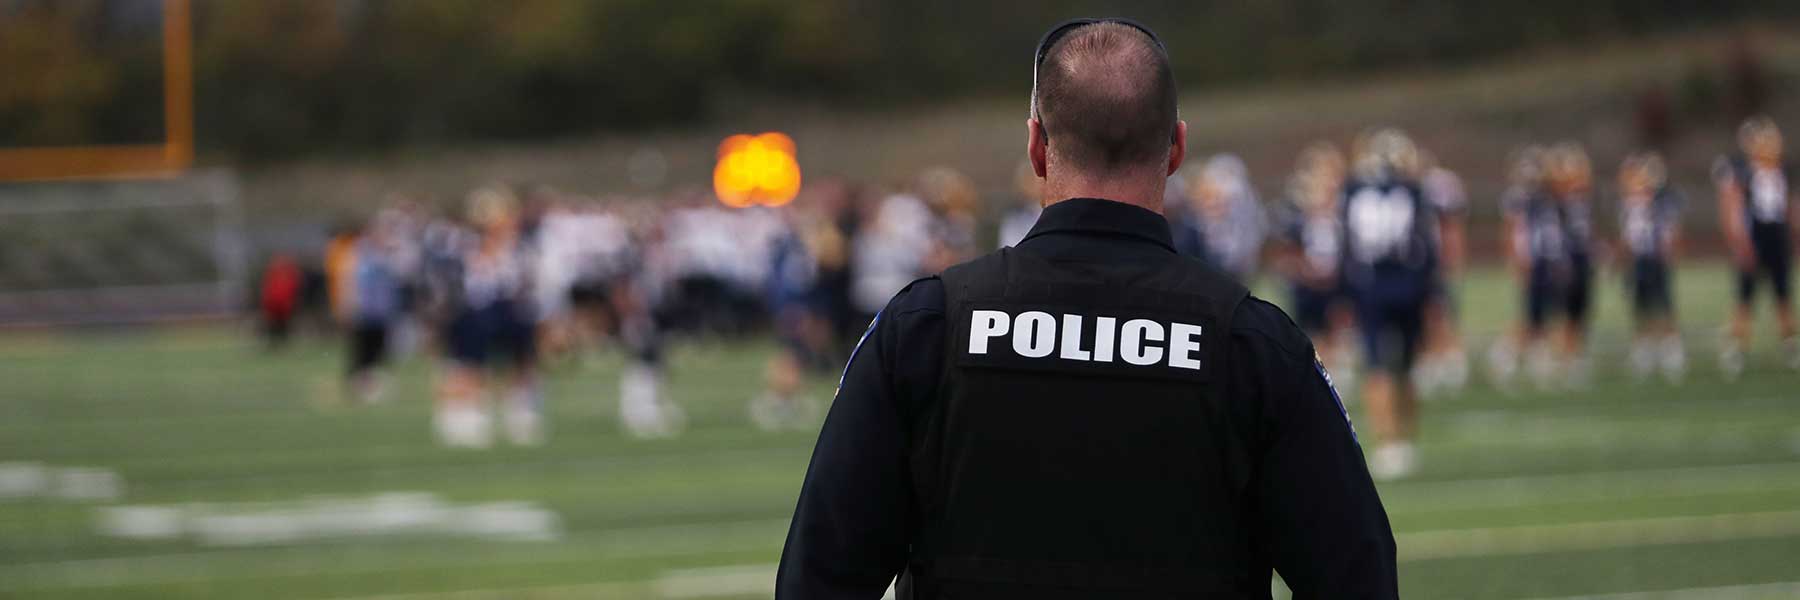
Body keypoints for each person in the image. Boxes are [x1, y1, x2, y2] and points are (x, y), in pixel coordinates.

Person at [777, 19, 1396, 599]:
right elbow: (1356, 575)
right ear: (1177, 148)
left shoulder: (926, 326)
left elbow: (820, 576)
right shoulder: (1253, 343)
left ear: (1036, 147)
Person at [1339, 128, 1437, 481]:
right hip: (1406, 283)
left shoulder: (1353, 191)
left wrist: (1344, 292)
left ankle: (1387, 443)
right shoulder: (1413, 191)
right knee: (1404, 365)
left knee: (1377, 364)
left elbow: (1347, 245)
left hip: (1370, 285)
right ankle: (1404, 440)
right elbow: (1426, 247)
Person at [435, 187, 546, 448]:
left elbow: (527, 283)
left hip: (512, 310)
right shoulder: (462, 246)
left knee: (523, 361)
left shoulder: (521, 246)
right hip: (474, 312)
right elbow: (456, 286)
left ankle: (522, 413)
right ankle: (462, 415)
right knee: (468, 364)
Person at [1713, 116, 1798, 376]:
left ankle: (1790, 343)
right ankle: (1737, 347)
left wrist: (1793, 233)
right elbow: (1732, 207)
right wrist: (1740, 241)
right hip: (1754, 236)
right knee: (1745, 295)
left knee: (1783, 293)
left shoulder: (1783, 170)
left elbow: (1789, 207)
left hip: (1777, 235)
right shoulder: (1741, 171)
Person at [1617, 152, 1686, 382]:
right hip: (1638, 260)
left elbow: (1671, 232)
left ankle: (1671, 349)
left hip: (1656, 259)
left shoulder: (1662, 203)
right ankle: (1644, 349)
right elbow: (1627, 237)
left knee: (1664, 304)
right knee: (1640, 307)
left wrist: (1670, 253)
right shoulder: (1629, 204)